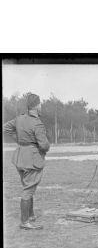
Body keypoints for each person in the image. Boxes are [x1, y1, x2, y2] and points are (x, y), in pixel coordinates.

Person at [3, 93, 50, 230]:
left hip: (20, 157)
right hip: (32, 159)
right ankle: (25, 222)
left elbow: (5, 128)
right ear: (36, 106)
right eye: (40, 104)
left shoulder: (19, 118)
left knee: (27, 186)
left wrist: (18, 139)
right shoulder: (37, 123)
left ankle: (30, 215)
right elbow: (44, 145)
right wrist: (43, 148)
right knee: (28, 190)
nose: (41, 106)